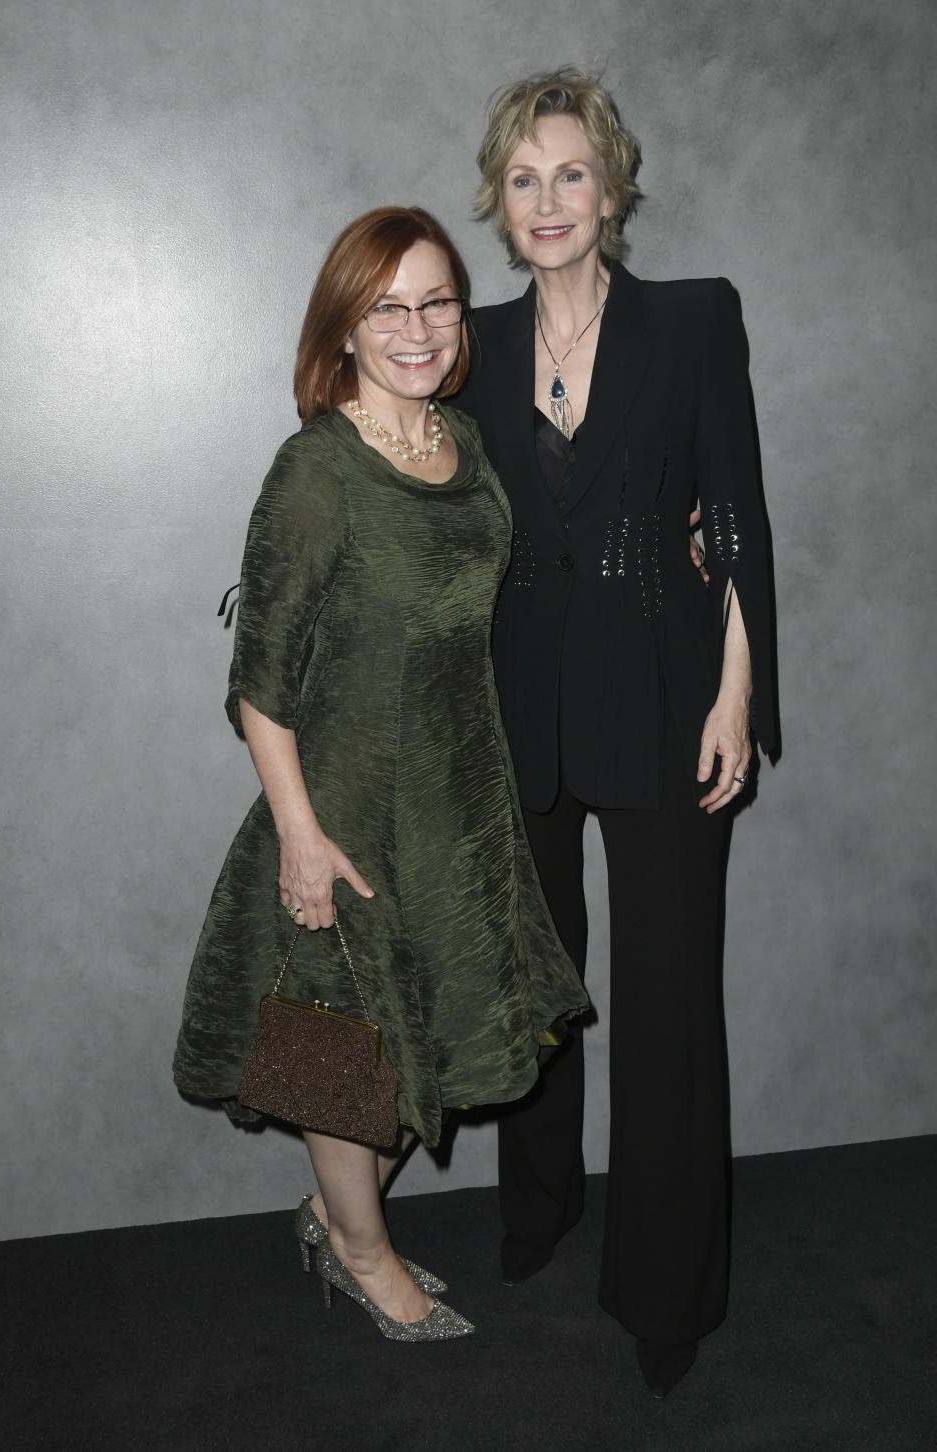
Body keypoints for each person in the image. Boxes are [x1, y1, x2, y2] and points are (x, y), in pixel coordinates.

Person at [173, 206, 588, 1342]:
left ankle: (332, 1215)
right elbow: (259, 683)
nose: (417, 327)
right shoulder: (315, 471)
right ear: (346, 328)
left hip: (459, 803)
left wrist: (687, 533)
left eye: (439, 300)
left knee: (435, 1035)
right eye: (387, 305)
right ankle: (362, 1253)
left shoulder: (464, 442)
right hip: (348, 809)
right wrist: (299, 835)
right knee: (350, 1059)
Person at [454, 69, 777, 1395]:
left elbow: (740, 516)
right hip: (517, 707)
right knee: (534, 984)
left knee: (665, 1003)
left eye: (570, 173)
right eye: (523, 179)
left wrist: (738, 697)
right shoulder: (466, 346)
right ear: (499, 198)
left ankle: (667, 1290)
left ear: (613, 186)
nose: (547, 200)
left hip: (665, 702)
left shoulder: (693, 322)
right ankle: (539, 1209)